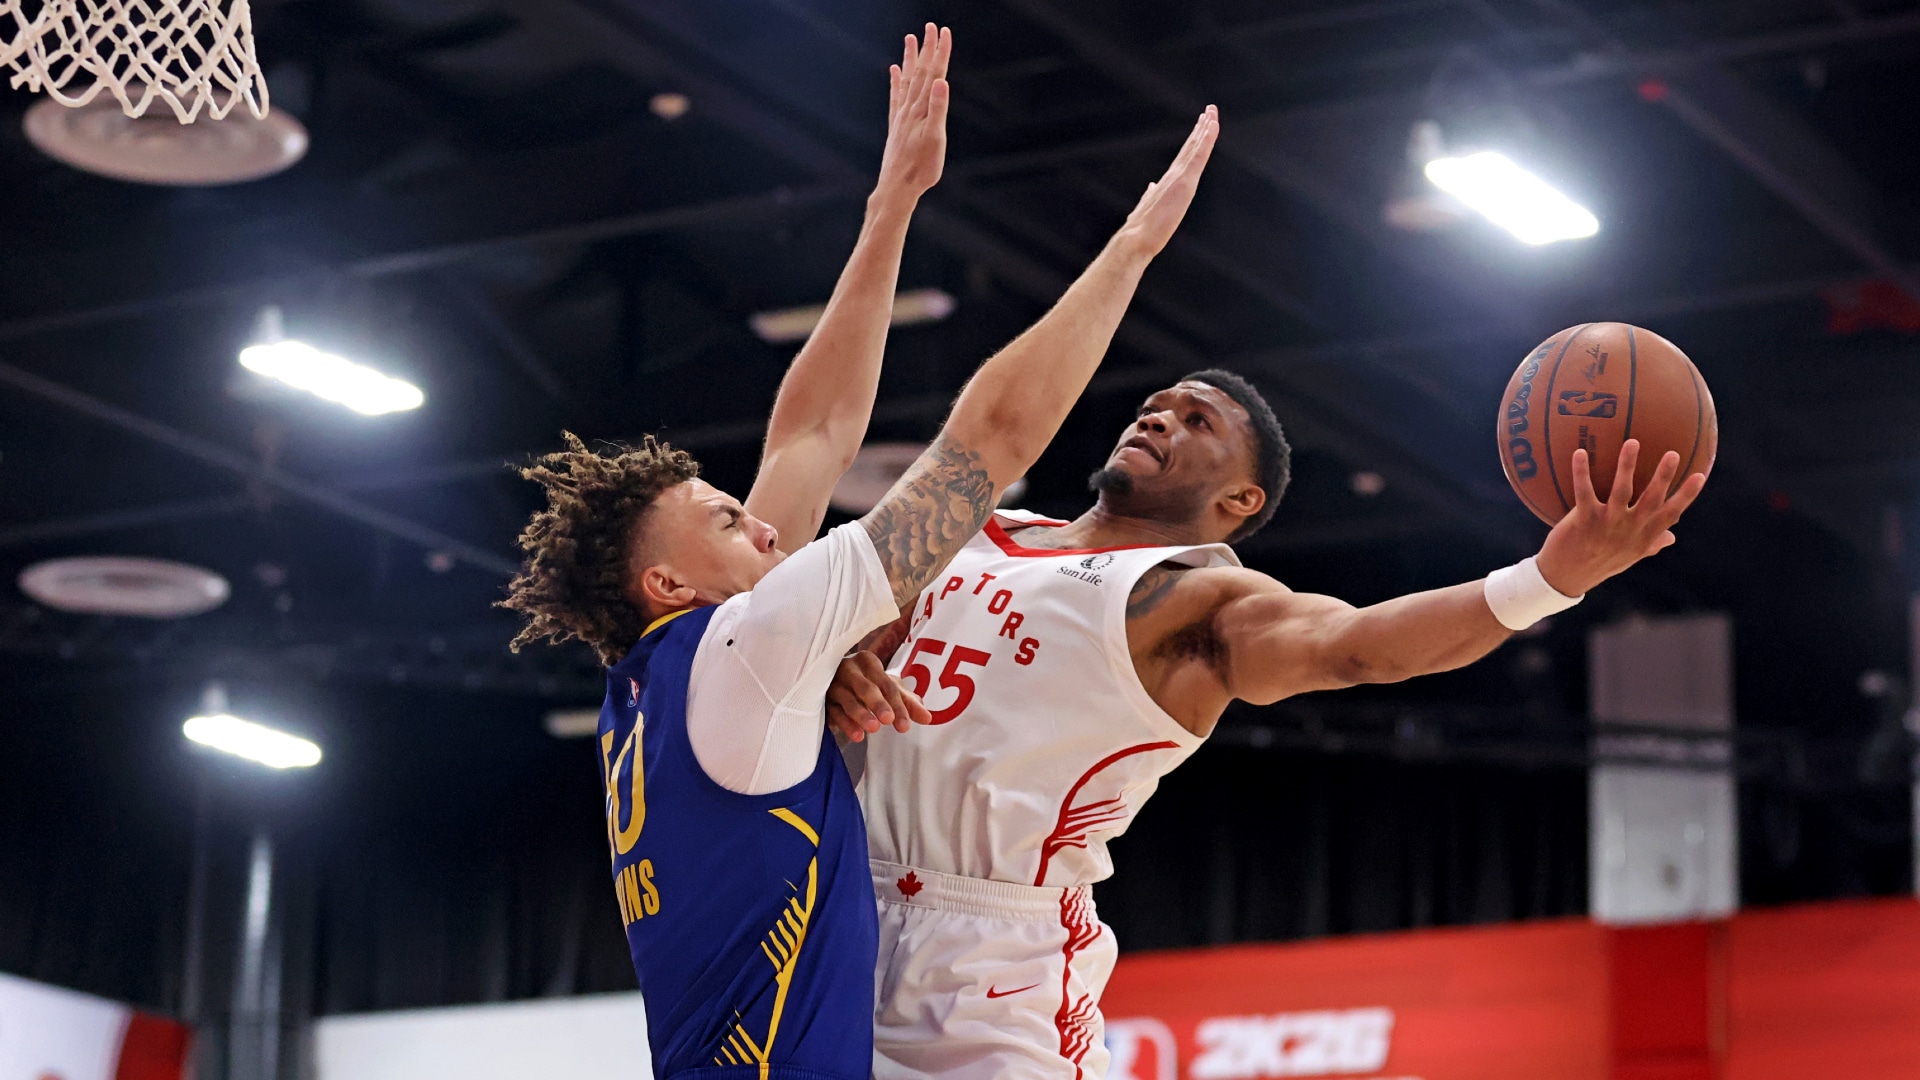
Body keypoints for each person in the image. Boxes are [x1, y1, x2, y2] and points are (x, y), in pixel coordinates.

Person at [498, 15, 1224, 1073]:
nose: (756, 520)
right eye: (720, 520)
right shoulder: (754, 647)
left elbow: (812, 437)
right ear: (667, 580)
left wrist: (893, 206)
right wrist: (1136, 249)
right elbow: (990, 447)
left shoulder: (656, 680)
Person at [828, 381, 1707, 1073]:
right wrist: (835, 668)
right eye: (1154, 408)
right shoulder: (972, 530)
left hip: (990, 961)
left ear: (1242, 500)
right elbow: (815, 628)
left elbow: (1361, 647)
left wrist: (1548, 579)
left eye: (1196, 420)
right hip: (829, 898)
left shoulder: (1198, 600)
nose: (1160, 419)